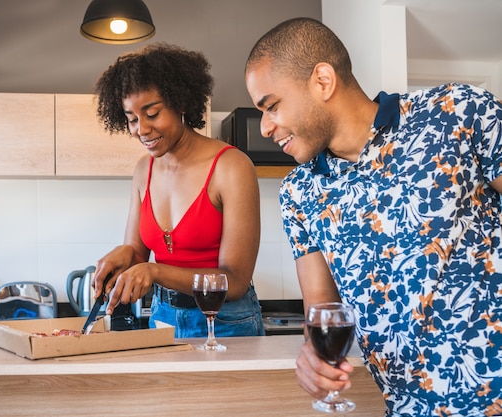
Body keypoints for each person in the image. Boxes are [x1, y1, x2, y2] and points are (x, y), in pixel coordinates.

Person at [245, 17, 502, 417]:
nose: (264, 127)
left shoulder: (458, 111)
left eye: (272, 105)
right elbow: (322, 314)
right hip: (406, 409)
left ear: (323, 80)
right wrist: (313, 358)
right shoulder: (298, 193)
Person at [91, 43, 265, 338]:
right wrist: (124, 255)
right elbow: (138, 256)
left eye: (153, 113)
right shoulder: (143, 170)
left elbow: (234, 282)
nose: (142, 129)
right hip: (163, 317)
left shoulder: (231, 167)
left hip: (224, 321)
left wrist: (156, 272)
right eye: (132, 119)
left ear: (181, 102)